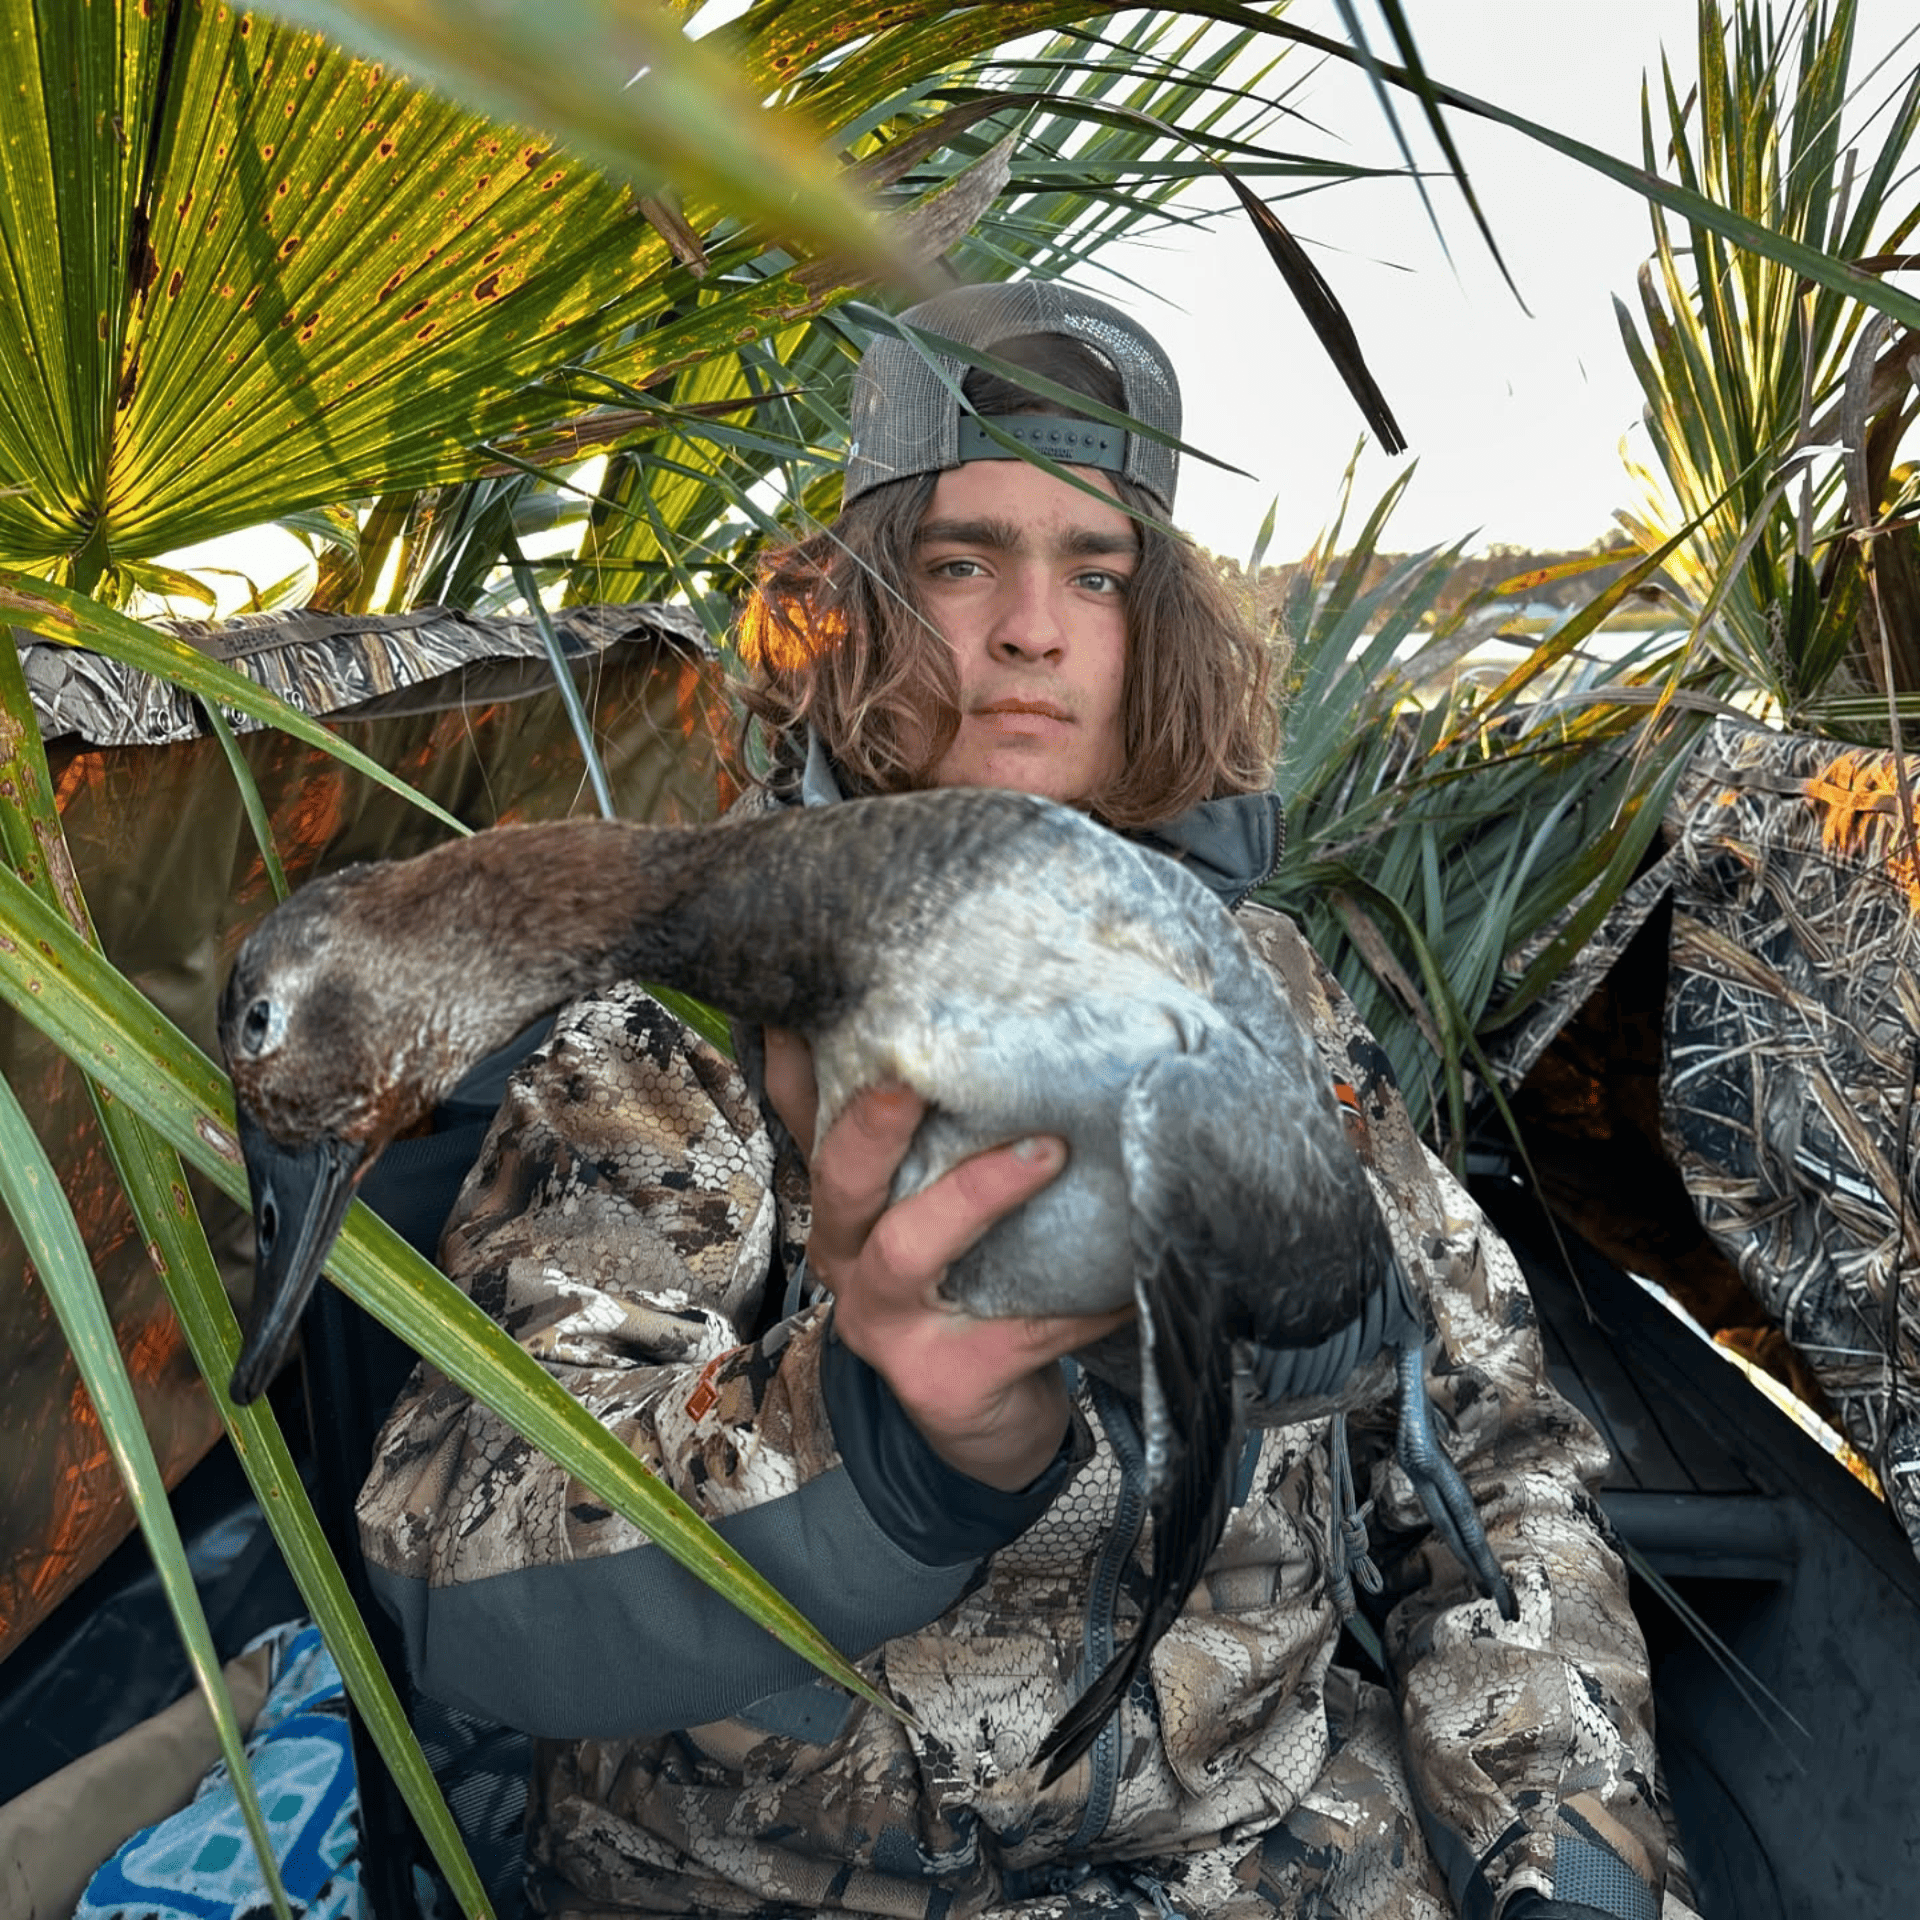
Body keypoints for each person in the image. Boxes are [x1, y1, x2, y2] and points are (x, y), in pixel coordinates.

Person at [356, 281, 1685, 1920]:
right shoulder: (670, 1030)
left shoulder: (1255, 980)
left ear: (1154, 633)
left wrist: (1565, 1856)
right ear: (843, 615)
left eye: (1097, 572)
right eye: (961, 562)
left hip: (1258, 1859)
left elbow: (1489, 1441)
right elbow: (460, 1581)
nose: (1032, 630)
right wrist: (879, 1440)